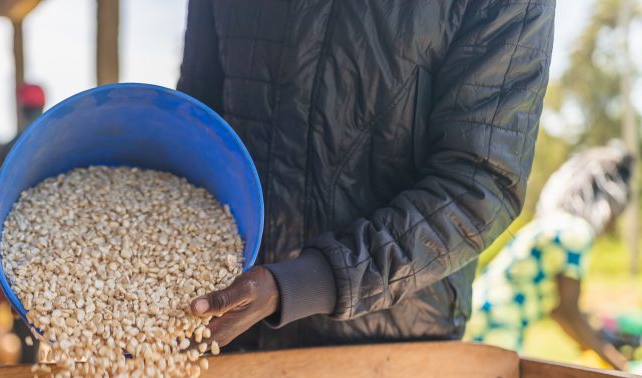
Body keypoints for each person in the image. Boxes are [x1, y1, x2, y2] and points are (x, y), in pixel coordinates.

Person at [178, 1, 556, 351]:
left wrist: (302, 284)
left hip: (389, 351)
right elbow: (197, 127)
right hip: (238, 337)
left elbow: (479, 185)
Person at [466, 146, 634, 371]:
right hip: (495, 334)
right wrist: (622, 368)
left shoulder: (554, 225)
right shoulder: (575, 233)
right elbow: (568, 313)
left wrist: (598, 334)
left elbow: (557, 310)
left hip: (474, 323)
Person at [0, 83, 47, 362]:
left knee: (22, 300)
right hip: (49, 236)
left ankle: (26, 360)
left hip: (18, 236)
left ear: (21, 108)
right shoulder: (51, 134)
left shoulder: (12, 146)